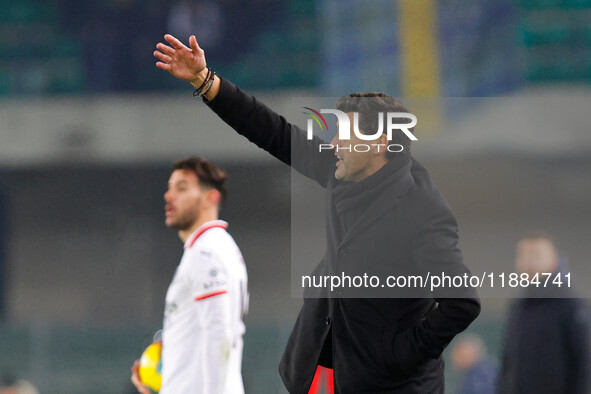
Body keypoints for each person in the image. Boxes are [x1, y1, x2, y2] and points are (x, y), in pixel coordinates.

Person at [153, 34, 480, 393]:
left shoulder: (422, 210)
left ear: (380, 143)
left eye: (344, 133)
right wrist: (205, 80)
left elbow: (462, 301)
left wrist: (398, 355)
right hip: (336, 372)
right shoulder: (343, 169)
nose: (334, 142)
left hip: (398, 387)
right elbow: (272, 131)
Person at [130, 157, 248, 394]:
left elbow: (219, 334)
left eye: (181, 188)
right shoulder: (218, 246)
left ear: (210, 197)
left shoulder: (205, 251)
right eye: (170, 187)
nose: (169, 195)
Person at [497, 233, 591, 394]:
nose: (529, 262)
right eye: (523, 255)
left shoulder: (570, 305)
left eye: (536, 255)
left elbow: (584, 364)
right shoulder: (518, 307)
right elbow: (508, 363)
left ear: (554, 260)